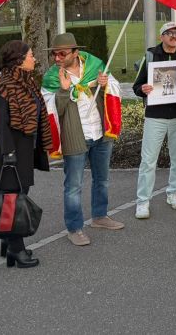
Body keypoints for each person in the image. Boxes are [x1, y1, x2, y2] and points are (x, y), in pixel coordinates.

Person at [45, 33, 124, 246]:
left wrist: (106, 84)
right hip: (75, 136)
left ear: (75, 52)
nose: (57, 58)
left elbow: (115, 91)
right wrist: (63, 91)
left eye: (62, 53)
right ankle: (74, 227)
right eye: (54, 54)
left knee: (102, 179)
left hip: (100, 132)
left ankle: (99, 216)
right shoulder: (52, 77)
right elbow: (52, 111)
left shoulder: (95, 66)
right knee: (73, 185)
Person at [0, 40, 52, 268]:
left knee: (18, 195)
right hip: (11, 152)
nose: (34, 59)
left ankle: (9, 244)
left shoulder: (28, 82)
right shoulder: (4, 86)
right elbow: (1, 125)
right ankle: (17, 249)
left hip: (26, 149)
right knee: (11, 200)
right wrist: (8, 154)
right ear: (18, 60)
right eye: (31, 55)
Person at [133, 21, 176, 219]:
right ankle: (143, 202)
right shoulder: (150, 56)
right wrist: (143, 90)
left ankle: (173, 193)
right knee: (148, 161)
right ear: (161, 36)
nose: (174, 36)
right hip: (155, 116)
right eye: (169, 33)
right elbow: (136, 86)